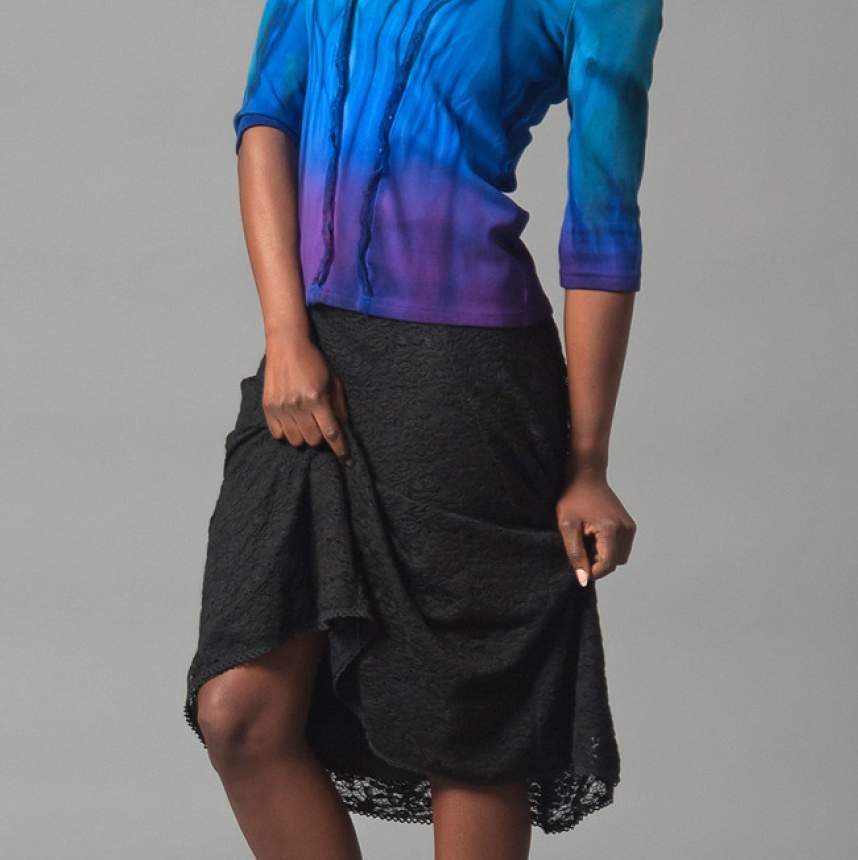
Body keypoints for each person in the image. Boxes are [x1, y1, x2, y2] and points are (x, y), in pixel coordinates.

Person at [183, 0, 663, 857]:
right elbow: (266, 120)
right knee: (240, 713)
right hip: (310, 360)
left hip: (467, 379)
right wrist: (285, 335)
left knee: (469, 735)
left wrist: (587, 461)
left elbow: (603, 224)